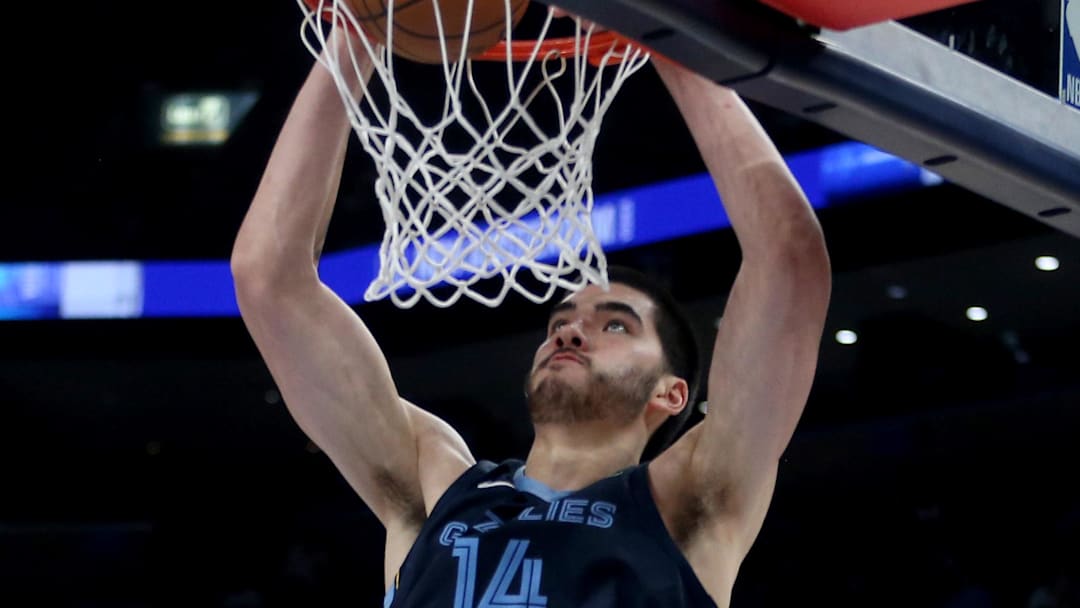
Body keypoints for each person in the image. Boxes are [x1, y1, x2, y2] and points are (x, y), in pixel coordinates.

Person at [230, 13, 831, 608]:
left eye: (616, 323)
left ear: (671, 394)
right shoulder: (436, 488)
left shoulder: (692, 498)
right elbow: (268, 279)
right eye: (562, 320)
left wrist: (668, 37)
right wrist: (356, 34)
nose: (572, 330)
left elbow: (788, 258)